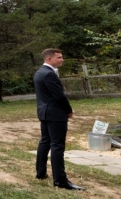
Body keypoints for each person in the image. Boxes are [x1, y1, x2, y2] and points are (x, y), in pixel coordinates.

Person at [34, 48, 84, 190]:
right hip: (55, 114)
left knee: (45, 142)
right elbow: (59, 96)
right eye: (59, 57)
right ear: (49, 59)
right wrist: (68, 110)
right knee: (57, 145)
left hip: (44, 112)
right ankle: (60, 180)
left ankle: (41, 172)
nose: (62, 60)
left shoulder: (39, 72)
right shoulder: (49, 74)